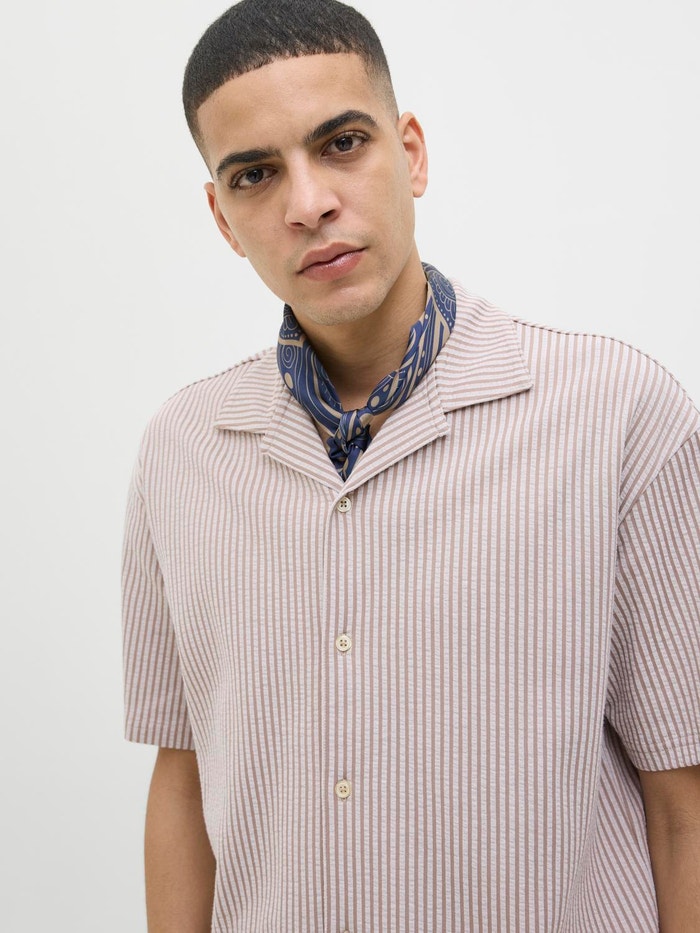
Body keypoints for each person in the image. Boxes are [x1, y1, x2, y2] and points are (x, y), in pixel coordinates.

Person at [121, 0, 700, 929]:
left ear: (413, 153)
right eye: (255, 174)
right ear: (223, 218)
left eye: (342, 143)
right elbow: (183, 779)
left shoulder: (618, 413)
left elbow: (684, 795)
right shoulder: (181, 452)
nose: (308, 203)